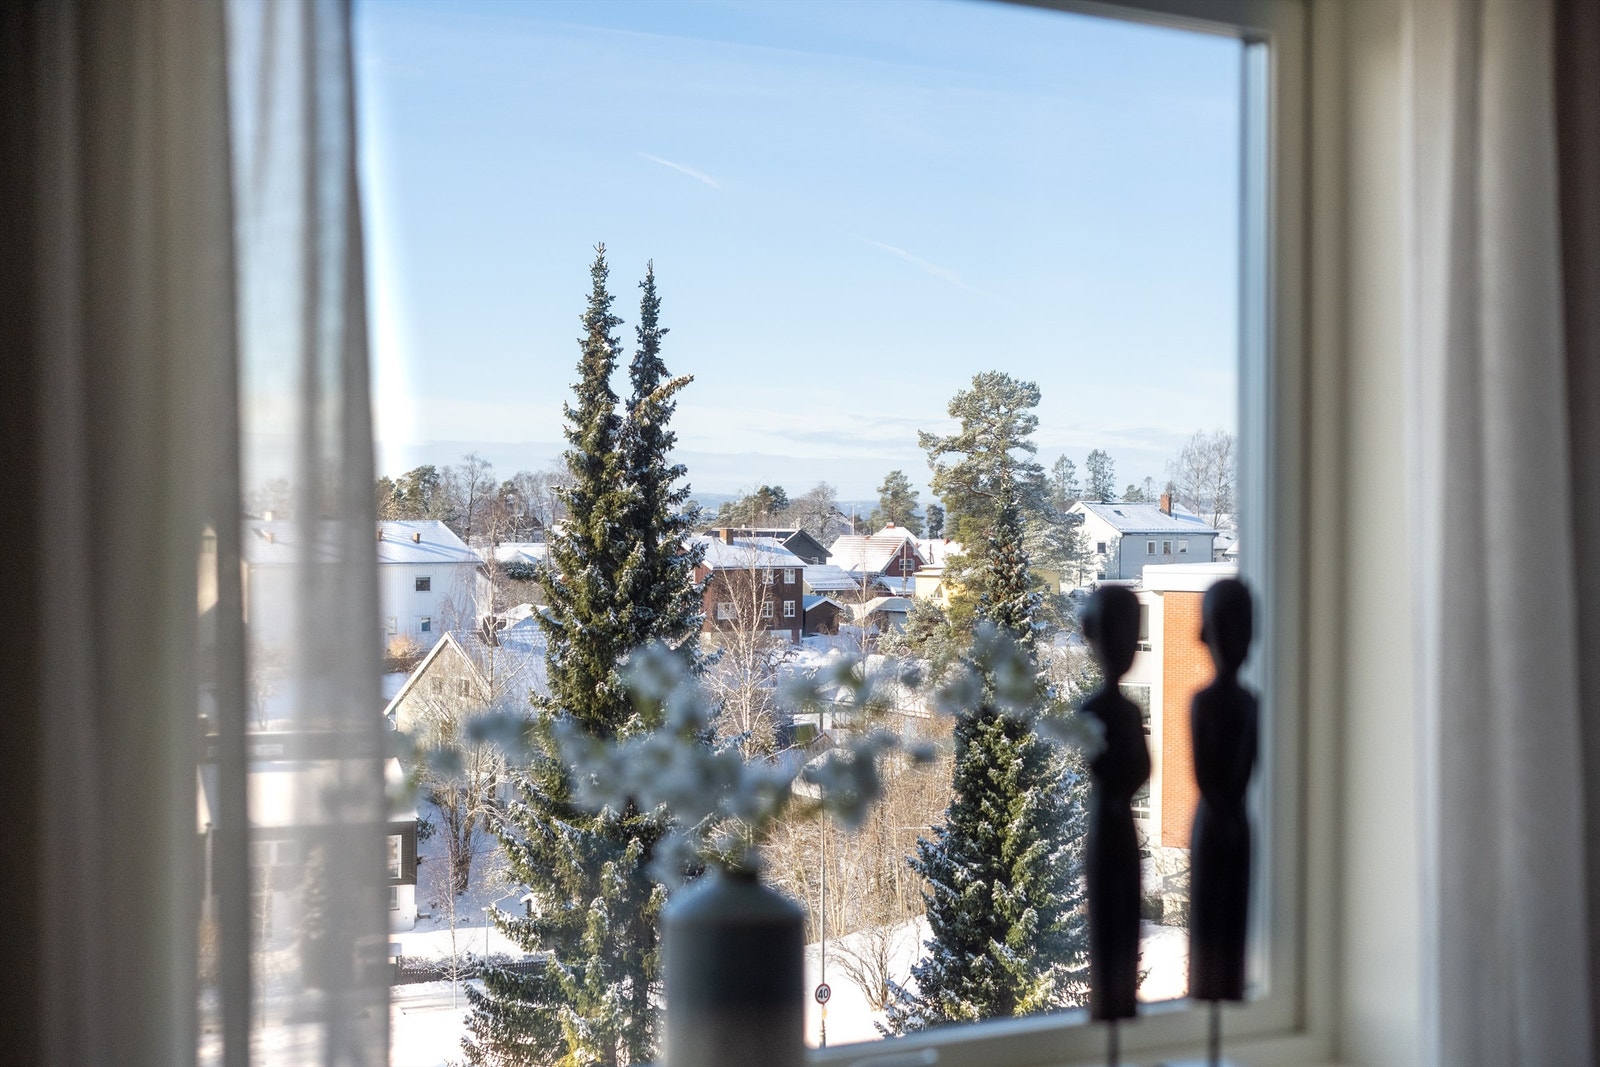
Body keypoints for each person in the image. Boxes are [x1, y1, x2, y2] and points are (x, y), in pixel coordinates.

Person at [1078, 585, 1150, 1022]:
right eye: (1118, 637)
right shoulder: (1097, 710)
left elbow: (1139, 768)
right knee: (1109, 923)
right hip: (1107, 831)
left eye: (1132, 636)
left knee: (1128, 921)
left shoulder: (1127, 711)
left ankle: (1122, 1001)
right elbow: (1126, 769)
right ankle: (1110, 1001)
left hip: (1121, 830)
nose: (1127, 648)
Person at [1188, 578, 1258, 1002]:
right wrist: (1228, 808)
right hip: (1217, 826)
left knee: (1233, 922)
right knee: (1210, 923)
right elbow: (1207, 776)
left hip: (1233, 828)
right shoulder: (1205, 703)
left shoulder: (1250, 703)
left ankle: (1226, 993)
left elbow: (1250, 764)